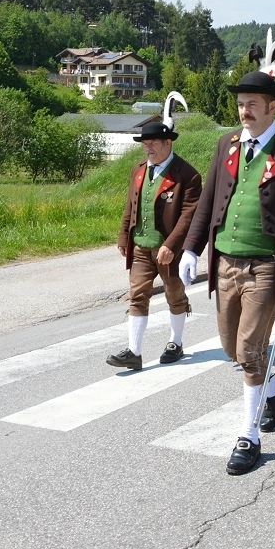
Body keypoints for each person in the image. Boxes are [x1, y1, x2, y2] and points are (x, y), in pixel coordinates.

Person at [180, 71, 275, 476]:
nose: (244, 111)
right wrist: (191, 248)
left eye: (252, 104)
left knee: (247, 350)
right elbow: (208, 201)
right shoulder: (226, 144)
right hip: (225, 263)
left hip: (266, 265)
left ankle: (248, 435)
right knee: (232, 349)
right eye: (241, 104)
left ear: (272, 106)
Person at [108, 119, 203, 371]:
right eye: (144, 144)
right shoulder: (138, 170)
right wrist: (123, 236)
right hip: (140, 245)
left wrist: (172, 245)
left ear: (167, 143)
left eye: (152, 143)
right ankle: (134, 352)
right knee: (137, 296)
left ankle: (176, 343)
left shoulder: (187, 174)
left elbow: (189, 215)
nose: (147, 148)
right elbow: (131, 205)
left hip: (169, 249)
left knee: (174, 295)